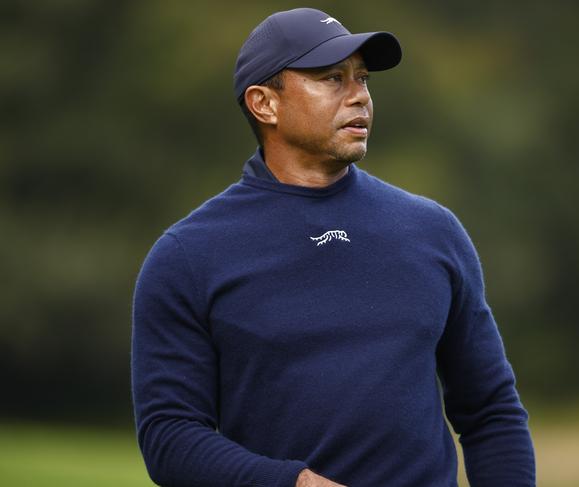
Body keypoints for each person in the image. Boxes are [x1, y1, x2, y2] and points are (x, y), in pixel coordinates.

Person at [131, 7, 536, 487]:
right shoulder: (188, 256)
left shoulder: (432, 231)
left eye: (362, 79)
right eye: (331, 79)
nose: (359, 96)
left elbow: (490, 410)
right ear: (264, 103)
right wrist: (294, 484)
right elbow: (170, 437)